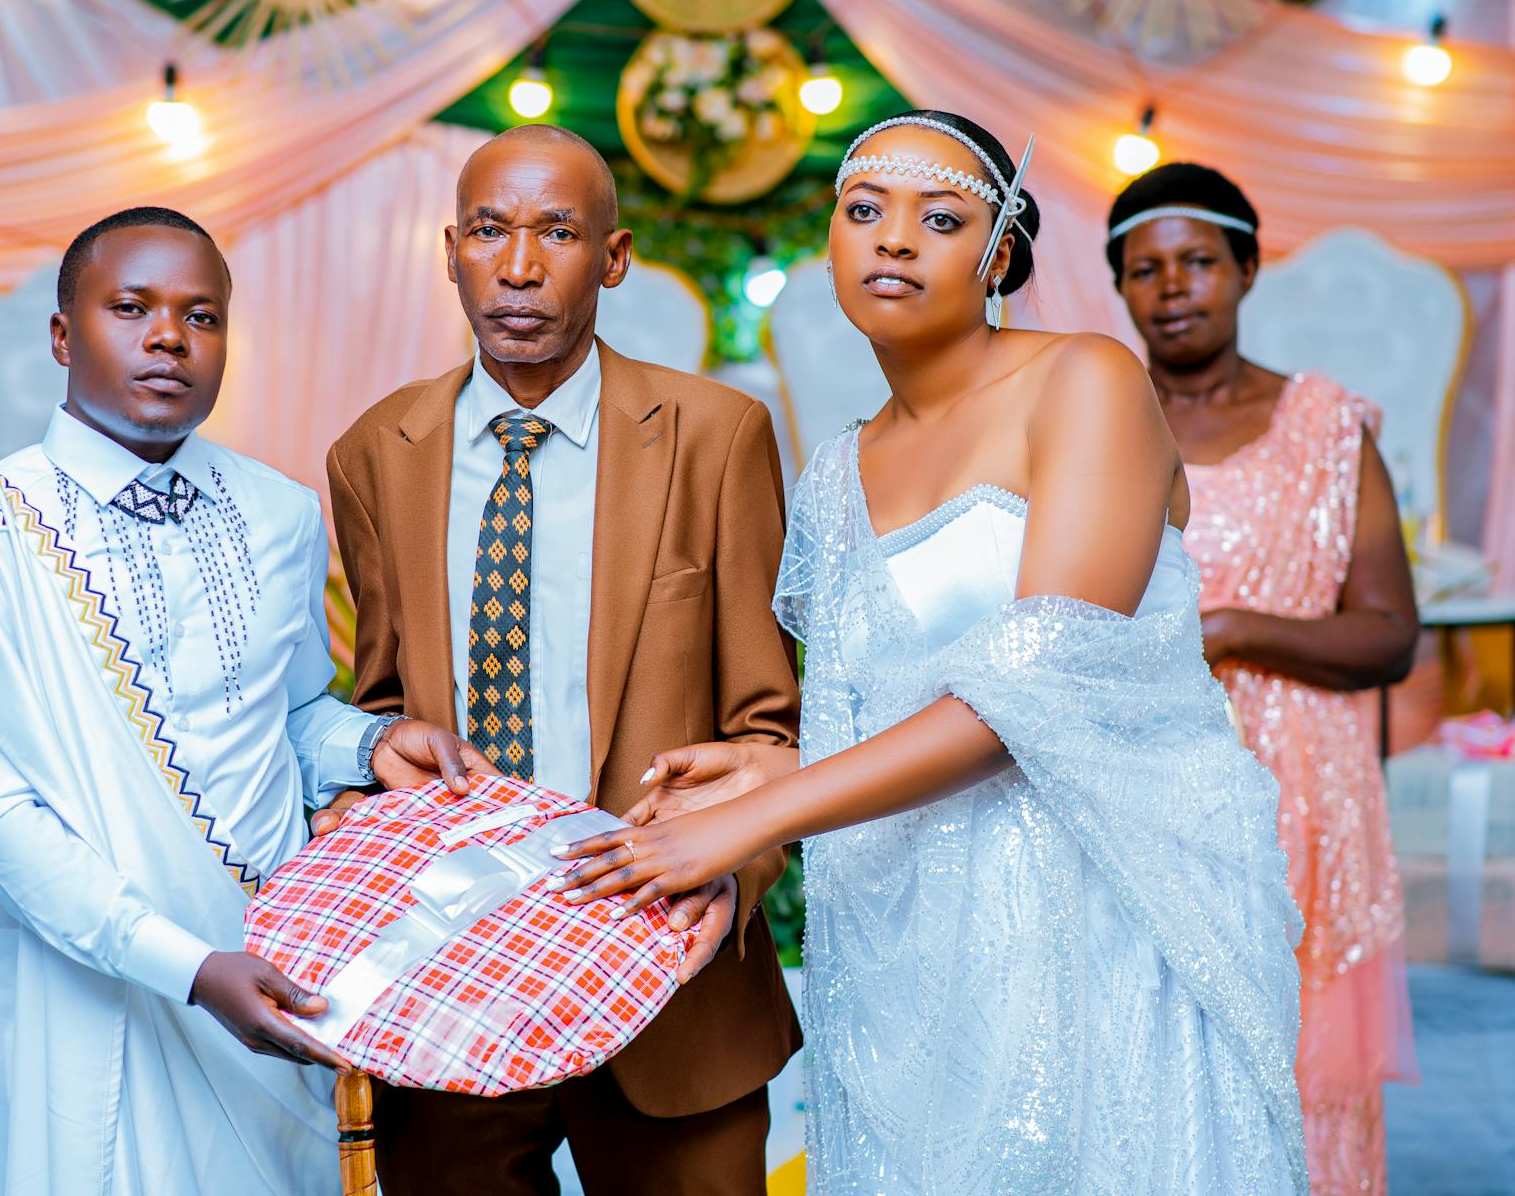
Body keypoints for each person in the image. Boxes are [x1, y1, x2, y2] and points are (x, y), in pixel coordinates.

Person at [551, 113, 1310, 1193]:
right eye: (864, 211)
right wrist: (769, 765)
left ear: (997, 256)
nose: (894, 239)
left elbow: (1039, 687)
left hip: (1098, 905)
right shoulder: (836, 470)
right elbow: (889, 706)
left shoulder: (1083, 380)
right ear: (830, 247)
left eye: (941, 219)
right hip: (917, 923)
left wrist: (757, 819)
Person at [0, 206, 485, 1195]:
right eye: (131, 308)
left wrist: (370, 744)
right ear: (63, 335)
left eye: (201, 315)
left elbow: (288, 714)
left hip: (267, 975)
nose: (170, 337)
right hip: (67, 993)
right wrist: (188, 968)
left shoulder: (280, 513)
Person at [323, 124, 802, 1195]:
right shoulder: (373, 453)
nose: (520, 265)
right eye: (489, 231)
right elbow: (385, 708)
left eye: (557, 232)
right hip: (450, 982)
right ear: (451, 252)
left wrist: (731, 867)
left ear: (613, 257)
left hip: (667, 973)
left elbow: (769, 725)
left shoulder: (716, 434)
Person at [1107, 162, 1419, 1194]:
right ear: (1119, 287)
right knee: (1156, 1053)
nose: (1172, 288)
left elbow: (1388, 637)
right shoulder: (1095, 424)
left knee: (1305, 1063)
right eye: (1145, 269)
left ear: (1245, 269)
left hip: (1305, 799)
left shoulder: (1327, 429)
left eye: (1198, 261)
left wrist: (1233, 628)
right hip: (1145, 787)